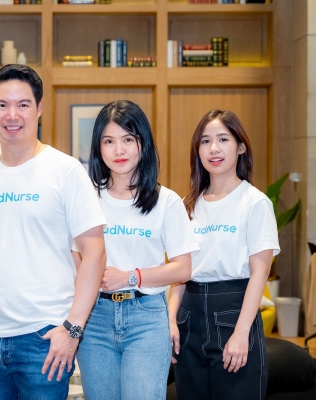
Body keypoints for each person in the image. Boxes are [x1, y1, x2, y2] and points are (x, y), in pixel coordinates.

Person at [0, 64, 107, 400]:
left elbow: (94, 252)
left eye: (23, 104)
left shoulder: (65, 171)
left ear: (39, 108)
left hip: (44, 339)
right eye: (2, 104)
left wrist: (73, 330)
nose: (12, 115)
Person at [73, 100, 198, 400]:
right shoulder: (87, 199)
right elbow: (74, 256)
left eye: (128, 139)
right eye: (109, 141)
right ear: (98, 148)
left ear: (143, 143)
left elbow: (183, 268)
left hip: (146, 317)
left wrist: (130, 277)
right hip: (95, 317)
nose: (119, 150)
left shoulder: (166, 201)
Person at [169, 110, 280, 399]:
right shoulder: (186, 205)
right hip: (189, 316)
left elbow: (260, 272)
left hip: (233, 312)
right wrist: (170, 321)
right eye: (205, 141)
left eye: (223, 139)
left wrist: (242, 333)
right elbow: (180, 271)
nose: (213, 149)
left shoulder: (255, 202)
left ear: (240, 147)